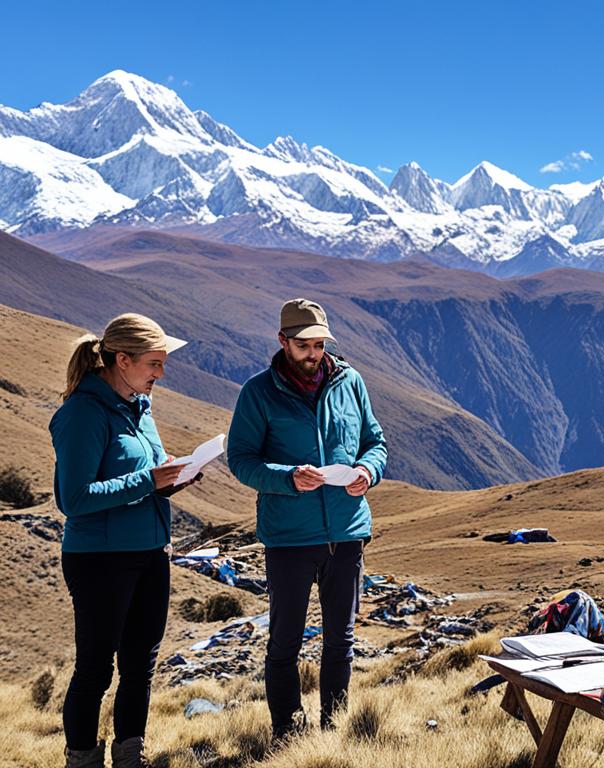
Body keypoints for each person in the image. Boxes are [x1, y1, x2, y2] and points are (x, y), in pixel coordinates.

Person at [227, 298, 387, 741]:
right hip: (288, 537)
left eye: (319, 344)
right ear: (283, 342)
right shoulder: (258, 393)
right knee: (284, 644)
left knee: (341, 640)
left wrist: (366, 471)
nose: (314, 353)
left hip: (346, 531)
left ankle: (333, 728)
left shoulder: (350, 382)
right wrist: (287, 478)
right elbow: (240, 459)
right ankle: (287, 733)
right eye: (304, 345)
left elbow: (375, 441)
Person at [50, 314, 197, 768]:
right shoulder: (81, 414)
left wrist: (171, 479)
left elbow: (144, 477)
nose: (160, 373)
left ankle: (131, 756)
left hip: (151, 553)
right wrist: (148, 482)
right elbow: (73, 499)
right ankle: (82, 759)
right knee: (95, 670)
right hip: (100, 560)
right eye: (154, 364)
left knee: (140, 668)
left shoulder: (139, 407)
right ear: (122, 360)